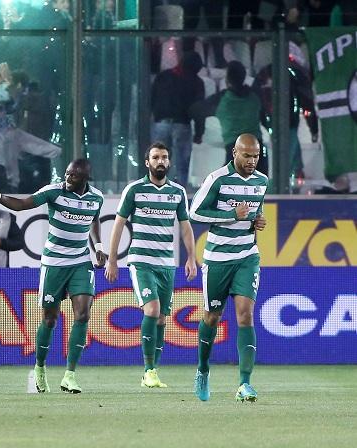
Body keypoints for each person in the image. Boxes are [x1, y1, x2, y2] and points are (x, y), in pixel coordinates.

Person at [0, 159, 107, 394]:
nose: (67, 179)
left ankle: (70, 376)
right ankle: (40, 367)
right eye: (66, 174)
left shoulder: (96, 197)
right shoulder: (54, 192)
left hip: (80, 261)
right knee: (50, 318)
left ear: (85, 178)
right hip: (54, 263)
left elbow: (94, 219)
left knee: (83, 314)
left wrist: (98, 246)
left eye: (73, 176)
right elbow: (21, 205)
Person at [105, 142, 198, 388]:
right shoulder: (135, 189)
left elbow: (185, 227)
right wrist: (112, 259)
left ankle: (152, 371)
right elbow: (118, 224)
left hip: (167, 263)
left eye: (164, 157)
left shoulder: (177, 192)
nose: (160, 161)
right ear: (147, 162)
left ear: (169, 162)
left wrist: (191, 257)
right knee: (153, 310)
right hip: (141, 261)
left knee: (162, 319)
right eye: (155, 157)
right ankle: (148, 370)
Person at [189, 133, 268, 403]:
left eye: (256, 156)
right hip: (218, 258)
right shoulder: (217, 179)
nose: (252, 161)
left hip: (247, 256)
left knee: (245, 315)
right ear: (235, 153)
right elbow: (194, 212)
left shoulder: (261, 181)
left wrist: (257, 221)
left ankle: (245, 383)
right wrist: (230, 215)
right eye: (247, 155)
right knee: (212, 316)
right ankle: (203, 370)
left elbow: (256, 211)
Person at [190, 61, 269, 175]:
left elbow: (196, 110)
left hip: (234, 147)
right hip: (256, 146)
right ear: (244, 77)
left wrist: (199, 134)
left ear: (227, 80)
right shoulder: (254, 96)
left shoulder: (221, 99)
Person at [150, 51, 205, 188]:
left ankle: (157, 188)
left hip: (161, 123)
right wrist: (199, 133)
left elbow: (151, 99)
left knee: (159, 161)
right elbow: (198, 110)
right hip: (182, 124)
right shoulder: (197, 82)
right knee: (182, 164)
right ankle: (180, 191)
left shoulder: (163, 76)